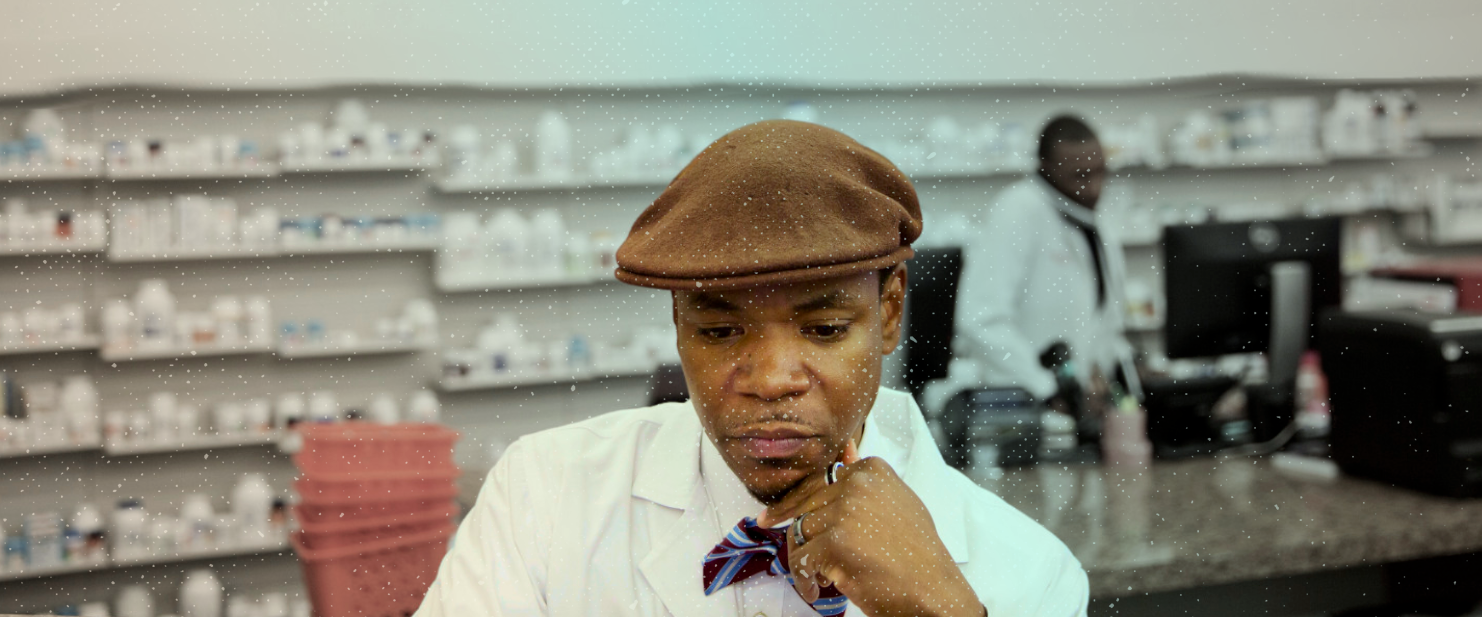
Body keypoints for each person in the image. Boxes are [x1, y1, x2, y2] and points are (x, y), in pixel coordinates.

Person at [414, 120, 1088, 617]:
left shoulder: (1029, 576)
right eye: (719, 329)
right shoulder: (548, 496)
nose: (770, 380)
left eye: (823, 329)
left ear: (888, 315)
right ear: (677, 326)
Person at [928, 116, 1133, 417]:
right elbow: (981, 320)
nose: (1094, 187)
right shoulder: (1017, 210)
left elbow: (1104, 320)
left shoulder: (1091, 220)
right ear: (1045, 168)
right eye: (1079, 176)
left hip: (1077, 406)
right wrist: (1045, 387)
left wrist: (1113, 370)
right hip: (1021, 404)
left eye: (1100, 172)